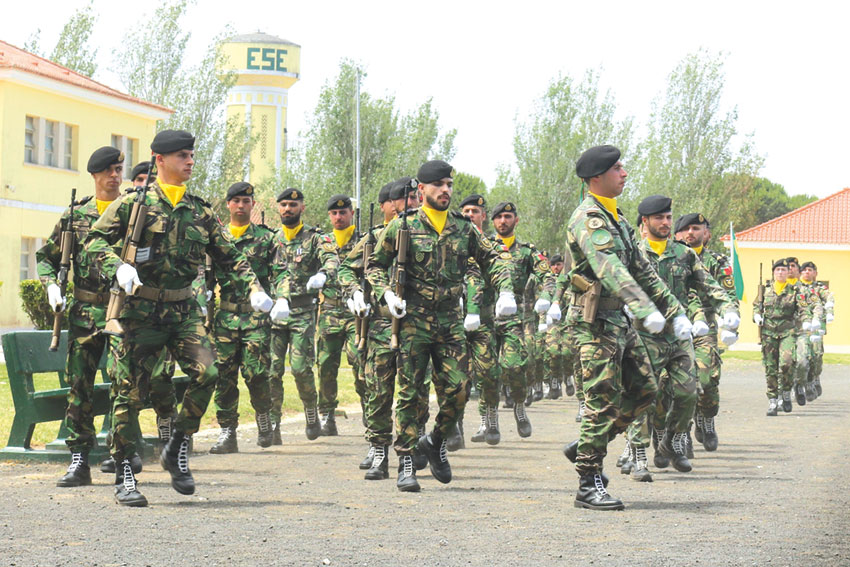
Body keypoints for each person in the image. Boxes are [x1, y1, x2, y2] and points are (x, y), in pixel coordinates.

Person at [85, 130, 273, 507]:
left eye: (191, 155)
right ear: (160, 159)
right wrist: (117, 267)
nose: (190, 161)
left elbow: (231, 257)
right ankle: (125, 472)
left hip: (182, 310)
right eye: (182, 155)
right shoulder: (132, 204)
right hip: (138, 312)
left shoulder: (200, 211)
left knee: (208, 373)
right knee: (128, 392)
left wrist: (255, 289)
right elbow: (94, 241)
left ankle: (178, 445)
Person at [366, 160, 516, 492]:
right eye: (439, 185)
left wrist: (505, 289)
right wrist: (386, 294)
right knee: (410, 393)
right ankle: (407, 460)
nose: (445, 190)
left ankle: (434, 441)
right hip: (413, 321)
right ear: (422, 190)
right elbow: (375, 265)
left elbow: (493, 259)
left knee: (460, 389)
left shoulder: (464, 228)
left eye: (449, 184)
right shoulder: (403, 226)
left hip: (449, 321)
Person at [561, 145, 685, 511]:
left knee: (645, 389)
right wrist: (643, 307)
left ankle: (587, 445)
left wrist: (674, 311)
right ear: (596, 177)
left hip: (618, 321)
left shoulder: (617, 219)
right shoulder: (589, 219)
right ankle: (588, 483)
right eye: (617, 168)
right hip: (593, 323)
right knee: (600, 401)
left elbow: (642, 270)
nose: (624, 173)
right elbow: (609, 268)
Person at [37, 147, 136, 488]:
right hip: (84, 312)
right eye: (108, 170)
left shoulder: (133, 213)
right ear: (94, 175)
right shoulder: (75, 216)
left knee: (124, 384)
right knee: (79, 386)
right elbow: (46, 257)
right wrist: (52, 286)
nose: (115, 176)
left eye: (119, 169)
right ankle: (79, 458)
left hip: (123, 311)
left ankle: (122, 457)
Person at [622, 196, 737, 480]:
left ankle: (672, 441)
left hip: (679, 335)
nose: (665, 223)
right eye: (659, 218)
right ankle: (638, 456)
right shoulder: (633, 254)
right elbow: (616, 284)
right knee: (643, 395)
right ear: (645, 222)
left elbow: (709, 286)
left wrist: (728, 310)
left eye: (668, 217)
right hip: (644, 337)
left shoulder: (684, 255)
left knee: (688, 393)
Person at [207, 181, 277, 454]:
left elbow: (280, 272)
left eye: (245, 201)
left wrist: (279, 299)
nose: (240, 205)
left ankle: (263, 416)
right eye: (235, 201)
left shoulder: (266, 238)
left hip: (255, 318)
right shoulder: (218, 238)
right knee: (224, 376)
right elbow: (205, 275)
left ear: (252, 205)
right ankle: (227, 432)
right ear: (228, 204)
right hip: (226, 317)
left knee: (256, 373)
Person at [268, 188, 339, 441]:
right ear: (278, 208)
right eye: (284, 205)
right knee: (272, 371)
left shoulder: (315, 238)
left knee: (300, 369)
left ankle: (310, 410)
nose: (288, 209)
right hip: (275, 313)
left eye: (293, 204)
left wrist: (323, 274)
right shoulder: (271, 239)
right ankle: (273, 424)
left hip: (302, 313)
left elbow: (331, 258)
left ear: (302, 208)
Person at [490, 201, 559, 436]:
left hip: (513, 320)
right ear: (493, 221)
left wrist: (546, 297)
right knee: (487, 371)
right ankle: (490, 419)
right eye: (499, 217)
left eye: (508, 216)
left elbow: (547, 276)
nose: (503, 221)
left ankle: (519, 406)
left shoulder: (527, 251)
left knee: (515, 366)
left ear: (516, 220)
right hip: (486, 317)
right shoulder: (484, 248)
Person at [674, 213, 739, 450]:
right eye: (686, 229)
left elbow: (728, 294)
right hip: (676, 326)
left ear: (706, 233)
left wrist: (731, 322)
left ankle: (706, 418)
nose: (690, 233)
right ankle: (682, 432)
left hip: (706, 328)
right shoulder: (671, 259)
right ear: (677, 235)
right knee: (679, 382)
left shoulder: (717, 262)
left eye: (696, 228)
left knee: (707, 379)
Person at [315, 194, 362, 435]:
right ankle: (327, 415)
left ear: (352, 213)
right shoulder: (322, 241)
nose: (338, 217)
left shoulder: (363, 240)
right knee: (326, 364)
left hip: (356, 312)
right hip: (330, 311)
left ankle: (370, 409)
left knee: (360, 359)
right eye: (334, 213)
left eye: (343, 212)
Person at [458, 194, 503, 445]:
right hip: (454, 320)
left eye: (474, 211)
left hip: (483, 320)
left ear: (483, 216)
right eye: (465, 211)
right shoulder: (452, 241)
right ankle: (455, 426)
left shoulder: (493, 246)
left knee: (487, 373)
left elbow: (502, 272)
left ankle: (490, 420)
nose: (470, 215)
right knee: (456, 377)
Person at [754, 259, 821, 415]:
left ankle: (785, 391)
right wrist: (756, 316)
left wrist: (807, 321)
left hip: (787, 332)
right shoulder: (765, 290)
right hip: (768, 333)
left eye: (783, 270)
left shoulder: (794, 291)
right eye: (777, 270)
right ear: (773, 272)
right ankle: (773, 400)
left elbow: (803, 309)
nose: (780, 272)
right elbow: (757, 306)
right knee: (770, 367)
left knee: (787, 363)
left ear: (787, 273)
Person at [799, 261, 835, 397]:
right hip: (800, 326)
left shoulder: (819, 288)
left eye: (810, 270)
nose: (807, 272)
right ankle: (801, 384)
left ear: (815, 273)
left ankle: (815, 377)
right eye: (804, 270)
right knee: (801, 356)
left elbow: (829, 298)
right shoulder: (796, 287)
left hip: (815, 328)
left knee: (817, 355)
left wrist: (830, 311)